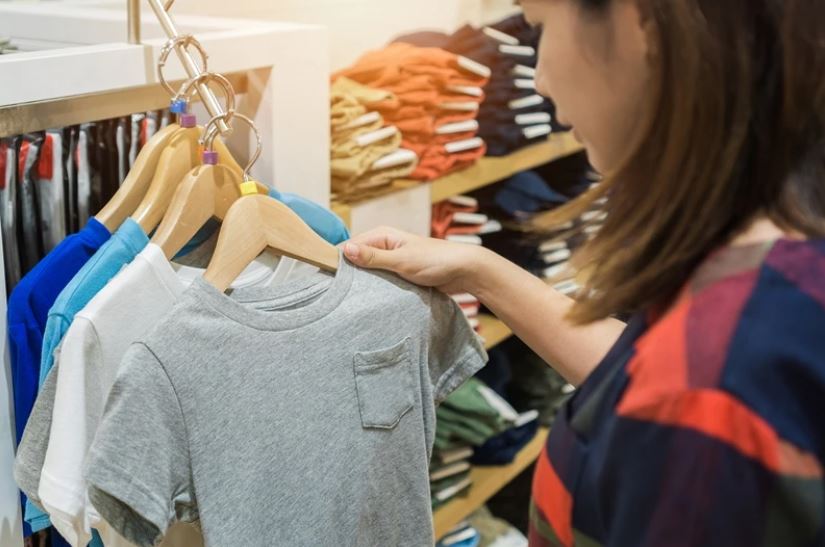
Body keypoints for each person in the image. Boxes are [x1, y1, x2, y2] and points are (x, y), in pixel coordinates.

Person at [344, 0, 825, 545]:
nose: (540, 80)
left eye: (541, 27)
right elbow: (645, 372)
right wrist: (481, 270)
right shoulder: (767, 274)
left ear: (637, 21)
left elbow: (689, 392)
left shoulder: (722, 387)